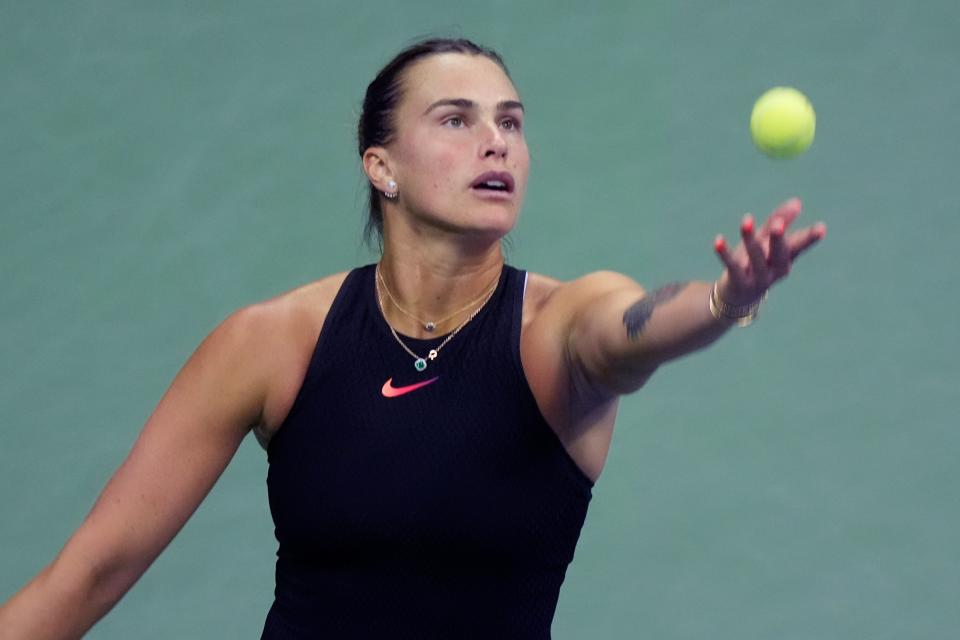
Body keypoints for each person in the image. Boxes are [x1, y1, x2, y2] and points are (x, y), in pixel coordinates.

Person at [0, 38, 826, 639]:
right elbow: (92, 572)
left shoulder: (555, 329)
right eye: (456, 120)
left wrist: (724, 298)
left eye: (510, 121)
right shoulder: (271, 342)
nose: (496, 140)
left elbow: (630, 330)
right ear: (381, 166)